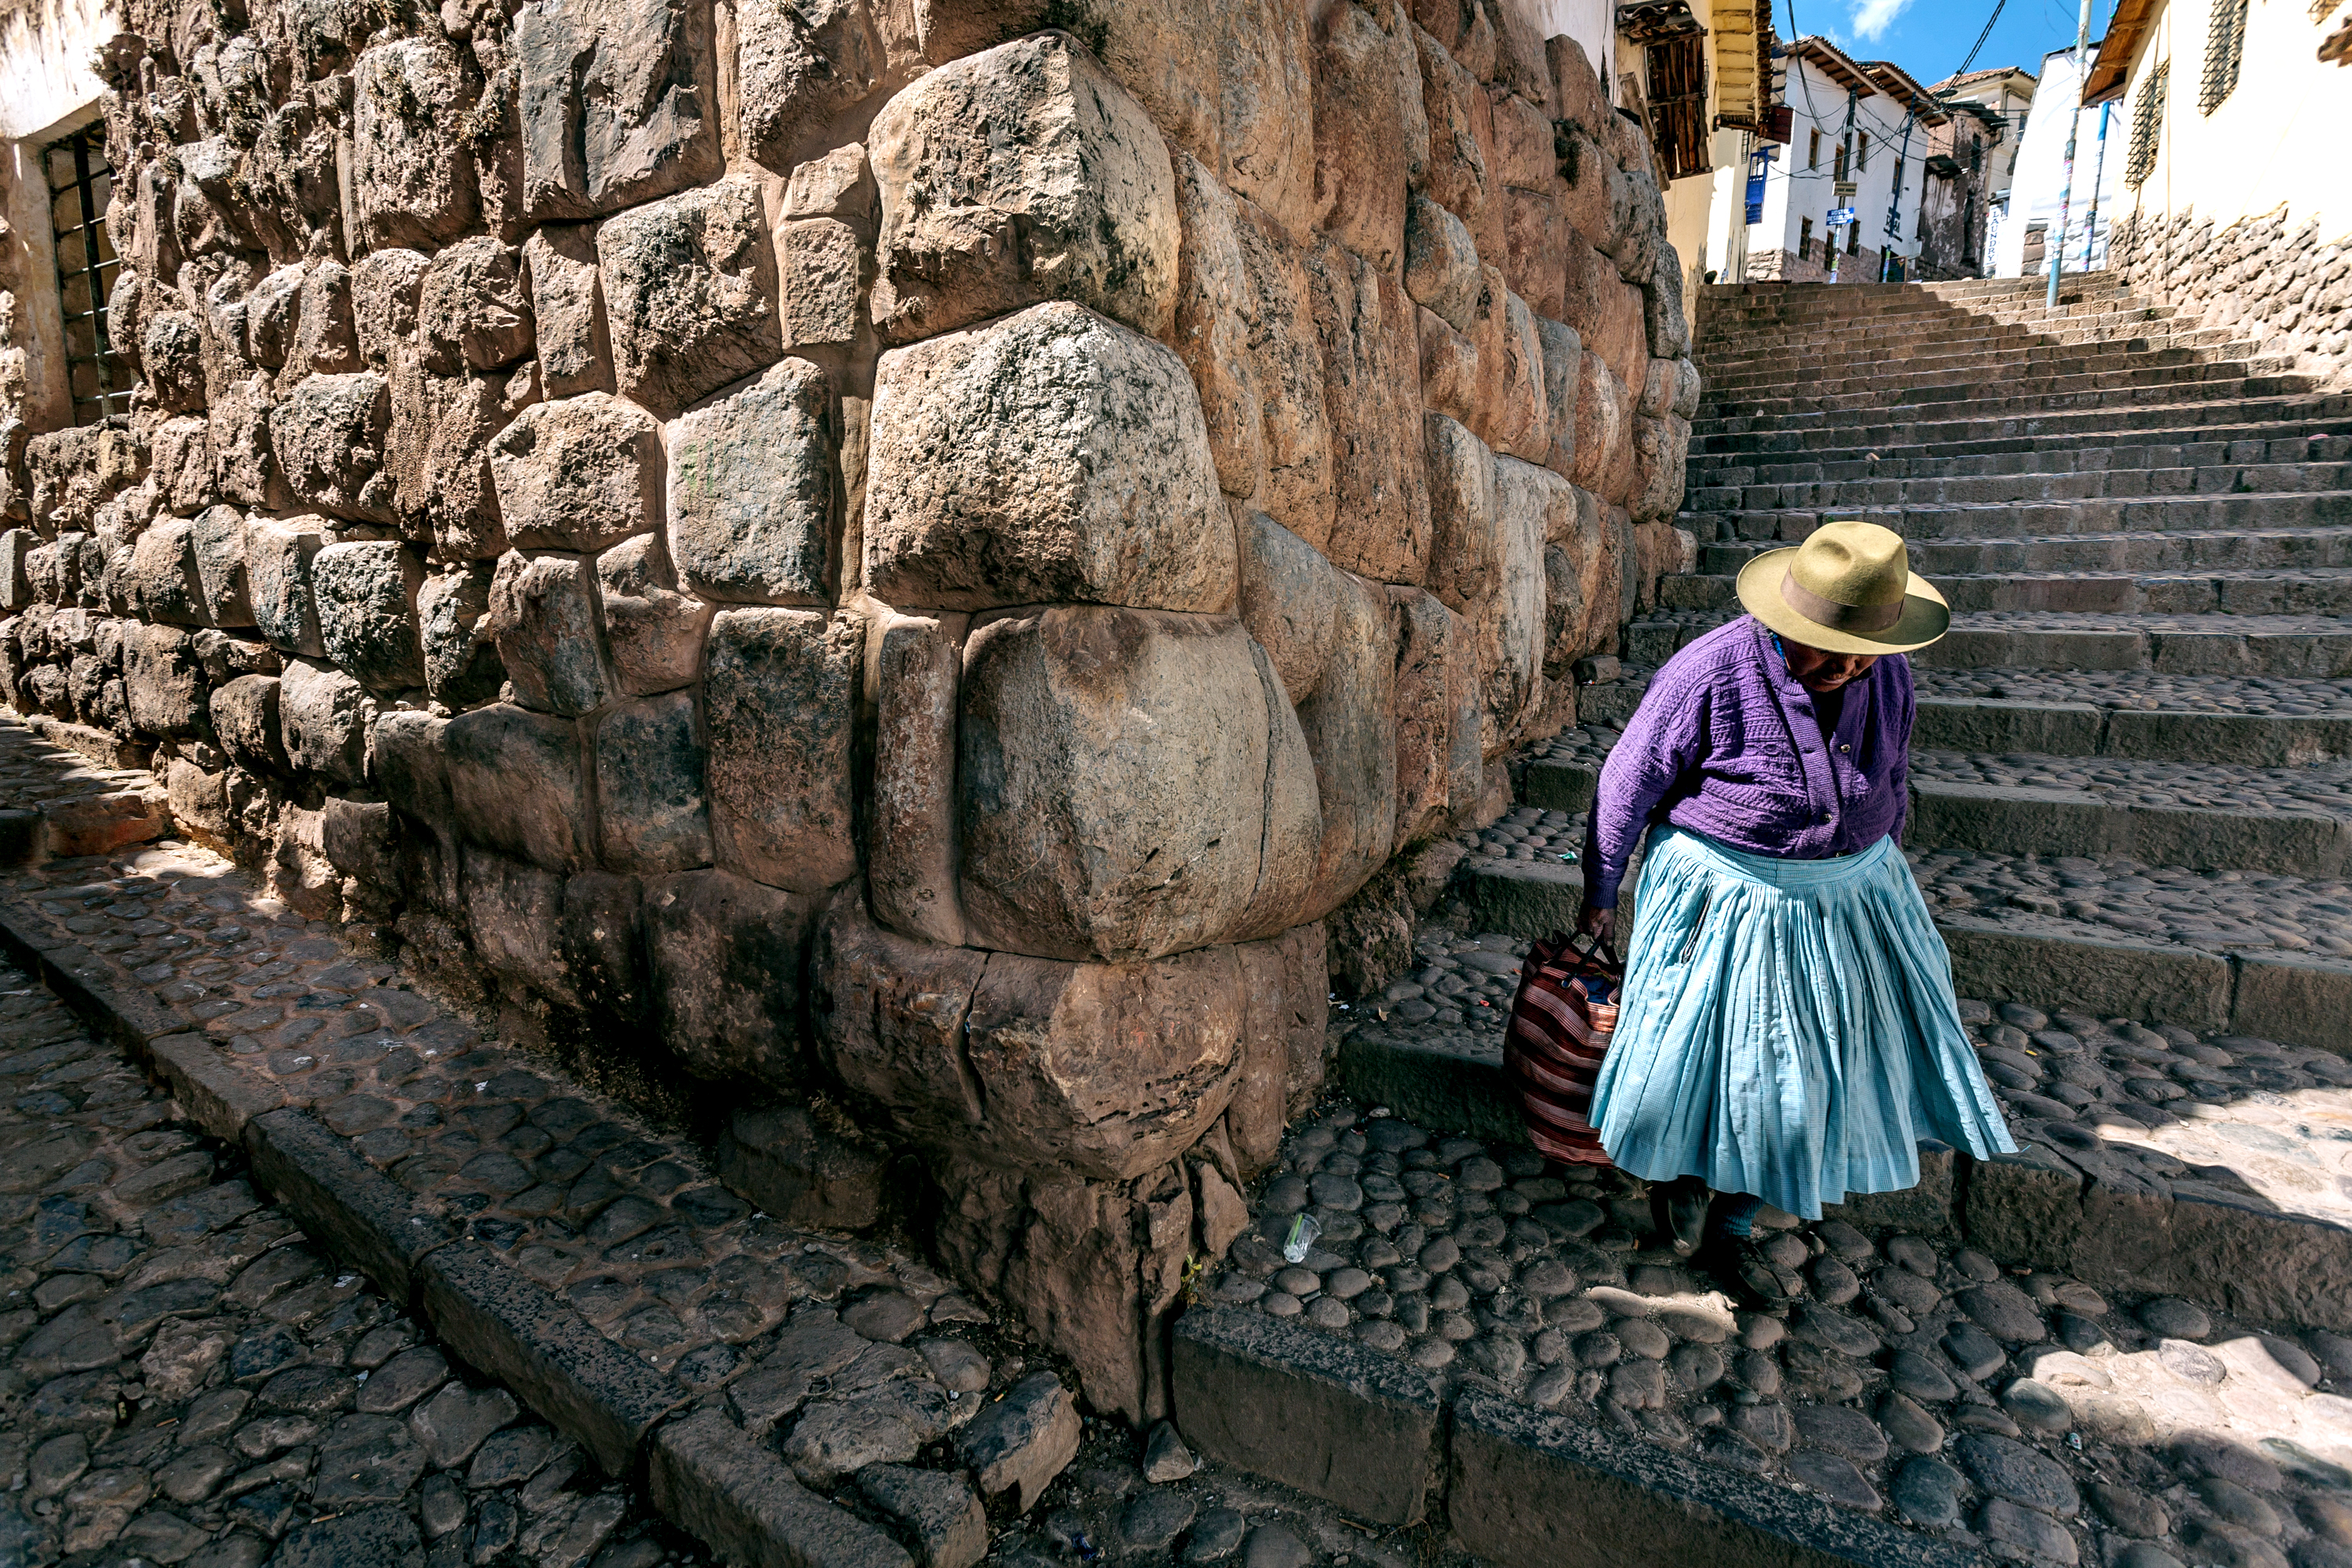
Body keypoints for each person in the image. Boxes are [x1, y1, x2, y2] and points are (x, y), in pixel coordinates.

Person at [1575, 520, 2015, 1308]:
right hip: (1727, 889)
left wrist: (1880, 871)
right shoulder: (1707, 670)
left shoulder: (1884, 675)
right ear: (1783, 621)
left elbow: (1894, 768)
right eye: (1827, 645)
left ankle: (1736, 1221)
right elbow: (1627, 780)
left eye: (1861, 650)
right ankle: (1681, 1171)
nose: (1846, 665)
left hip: (1848, 894)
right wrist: (1601, 890)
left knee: (1805, 1073)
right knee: (1703, 1055)